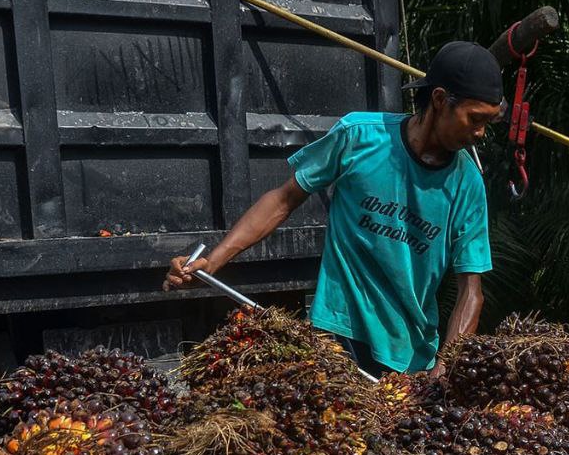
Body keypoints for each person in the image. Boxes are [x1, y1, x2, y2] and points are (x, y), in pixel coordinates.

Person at [164, 41, 505, 378]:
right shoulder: (359, 136)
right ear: (440, 99)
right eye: (474, 119)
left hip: (408, 357)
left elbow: (470, 291)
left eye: (487, 123)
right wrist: (215, 261)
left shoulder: (467, 184)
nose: (480, 133)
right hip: (336, 335)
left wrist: (444, 370)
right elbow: (284, 199)